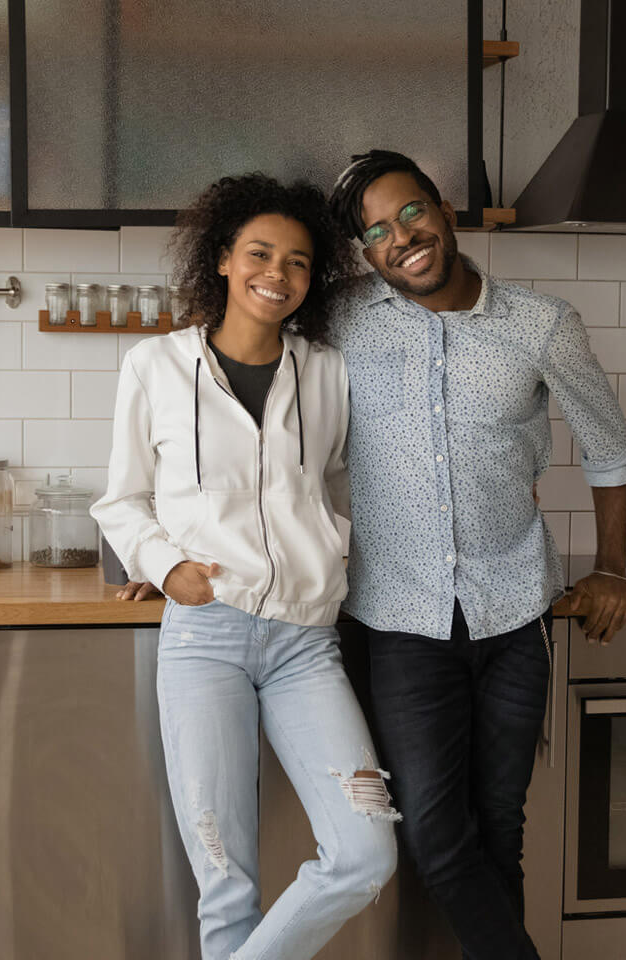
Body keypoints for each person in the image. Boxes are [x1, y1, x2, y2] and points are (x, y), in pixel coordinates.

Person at [324, 150, 626, 959]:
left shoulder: (542, 324)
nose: (402, 238)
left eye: (411, 214)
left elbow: (608, 446)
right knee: (432, 832)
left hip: (514, 614)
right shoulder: (339, 320)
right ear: (365, 253)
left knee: (501, 825)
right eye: (378, 233)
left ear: (444, 210)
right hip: (397, 619)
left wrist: (610, 565)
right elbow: (235, 396)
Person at [92, 172, 398, 960]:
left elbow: (334, 484)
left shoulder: (327, 369)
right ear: (223, 259)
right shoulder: (154, 367)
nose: (278, 273)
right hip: (205, 638)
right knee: (226, 880)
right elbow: (122, 500)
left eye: (299, 262)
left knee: (366, 853)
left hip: (306, 643)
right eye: (260, 253)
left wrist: (328, 551)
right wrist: (164, 567)